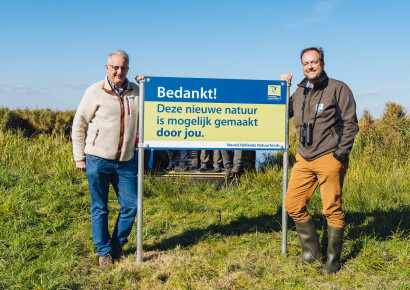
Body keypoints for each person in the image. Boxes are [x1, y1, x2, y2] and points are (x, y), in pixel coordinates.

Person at [281, 47, 358, 275]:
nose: (310, 67)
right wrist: (284, 89)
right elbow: (284, 113)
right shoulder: (300, 91)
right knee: (292, 203)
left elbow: (350, 124)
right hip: (304, 159)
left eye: (314, 62)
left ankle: (333, 261)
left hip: (329, 157)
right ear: (302, 66)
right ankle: (311, 253)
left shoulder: (338, 88)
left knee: (331, 209)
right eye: (306, 63)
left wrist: (339, 156)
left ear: (322, 63)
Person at [72, 50, 145, 268]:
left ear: (128, 69)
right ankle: (103, 251)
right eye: (115, 67)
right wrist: (79, 157)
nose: (119, 71)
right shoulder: (95, 91)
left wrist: (148, 86)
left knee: (131, 205)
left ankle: (117, 245)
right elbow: (79, 124)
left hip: (126, 161)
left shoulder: (137, 92)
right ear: (107, 68)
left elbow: (155, 109)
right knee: (100, 208)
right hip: (97, 159)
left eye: (123, 68)